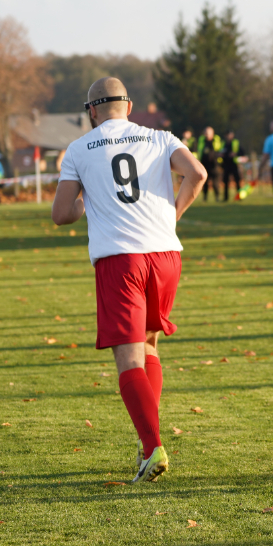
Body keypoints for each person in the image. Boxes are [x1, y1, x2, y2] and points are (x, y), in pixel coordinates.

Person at [51, 77, 207, 484]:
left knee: (128, 357)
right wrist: (171, 216)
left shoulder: (79, 148)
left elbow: (61, 213)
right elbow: (198, 174)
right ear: (129, 106)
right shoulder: (159, 137)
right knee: (150, 344)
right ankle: (146, 443)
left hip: (121, 260)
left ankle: (152, 445)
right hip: (166, 256)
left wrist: (87, 199)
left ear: (92, 112)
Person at [194, 127, 221, 201]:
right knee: (204, 182)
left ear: (212, 133)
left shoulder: (216, 140)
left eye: (208, 133)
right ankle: (205, 197)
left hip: (214, 164)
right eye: (205, 133)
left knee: (215, 182)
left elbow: (218, 151)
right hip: (204, 164)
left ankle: (217, 197)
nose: (206, 134)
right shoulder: (202, 140)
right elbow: (199, 150)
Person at [219, 131, 243, 201]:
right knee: (225, 181)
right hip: (226, 164)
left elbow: (241, 152)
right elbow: (220, 152)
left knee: (237, 180)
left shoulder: (236, 142)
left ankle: (239, 197)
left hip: (234, 164)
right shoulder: (223, 143)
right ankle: (225, 198)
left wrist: (235, 154)